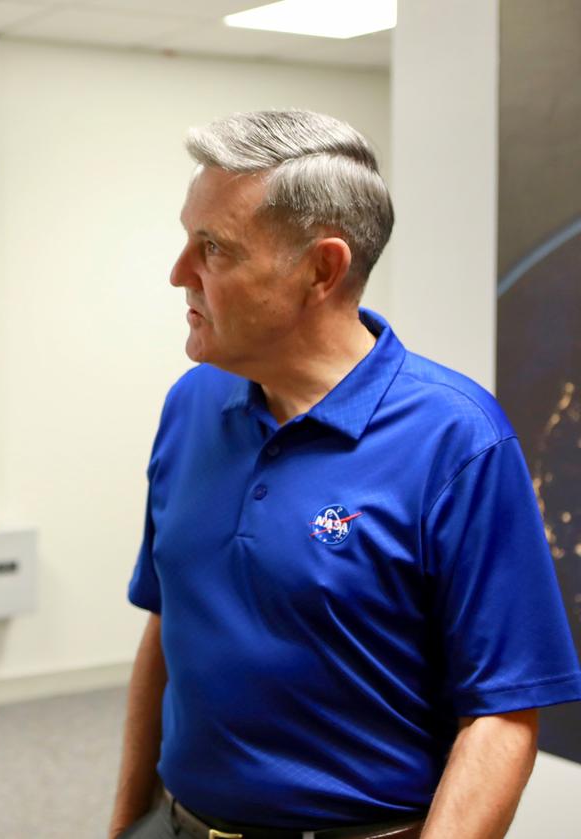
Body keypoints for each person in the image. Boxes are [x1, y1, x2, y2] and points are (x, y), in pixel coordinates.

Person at [109, 110, 581, 839]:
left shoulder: (457, 439)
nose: (179, 273)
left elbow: (502, 713)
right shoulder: (191, 404)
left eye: (213, 248)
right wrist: (127, 821)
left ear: (321, 270)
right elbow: (167, 624)